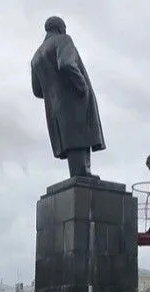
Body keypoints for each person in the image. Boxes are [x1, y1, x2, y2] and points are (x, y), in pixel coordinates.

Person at [30, 16, 105, 178]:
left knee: (73, 138)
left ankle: (80, 173)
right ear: (60, 28)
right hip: (74, 99)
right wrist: (82, 85)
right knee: (80, 133)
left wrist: (53, 93)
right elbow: (66, 63)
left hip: (56, 108)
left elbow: (37, 90)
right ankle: (82, 173)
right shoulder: (63, 40)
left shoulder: (36, 57)